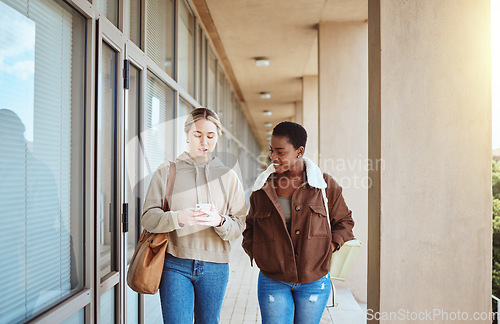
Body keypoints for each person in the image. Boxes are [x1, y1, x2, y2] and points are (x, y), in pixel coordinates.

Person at [242, 121, 355, 324]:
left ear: (299, 151)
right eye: (271, 151)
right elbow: (250, 227)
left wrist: (328, 247)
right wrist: (258, 252)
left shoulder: (325, 186)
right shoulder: (262, 188)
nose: (273, 157)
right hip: (273, 279)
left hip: (314, 280)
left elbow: (345, 222)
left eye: (280, 152)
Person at [141, 108, 247, 323]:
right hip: (174, 264)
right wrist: (178, 218)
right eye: (197, 135)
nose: (203, 142)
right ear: (187, 135)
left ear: (218, 137)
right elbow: (148, 218)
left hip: (216, 267)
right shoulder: (167, 171)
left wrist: (219, 221)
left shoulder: (229, 177)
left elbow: (239, 225)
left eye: (210, 136)